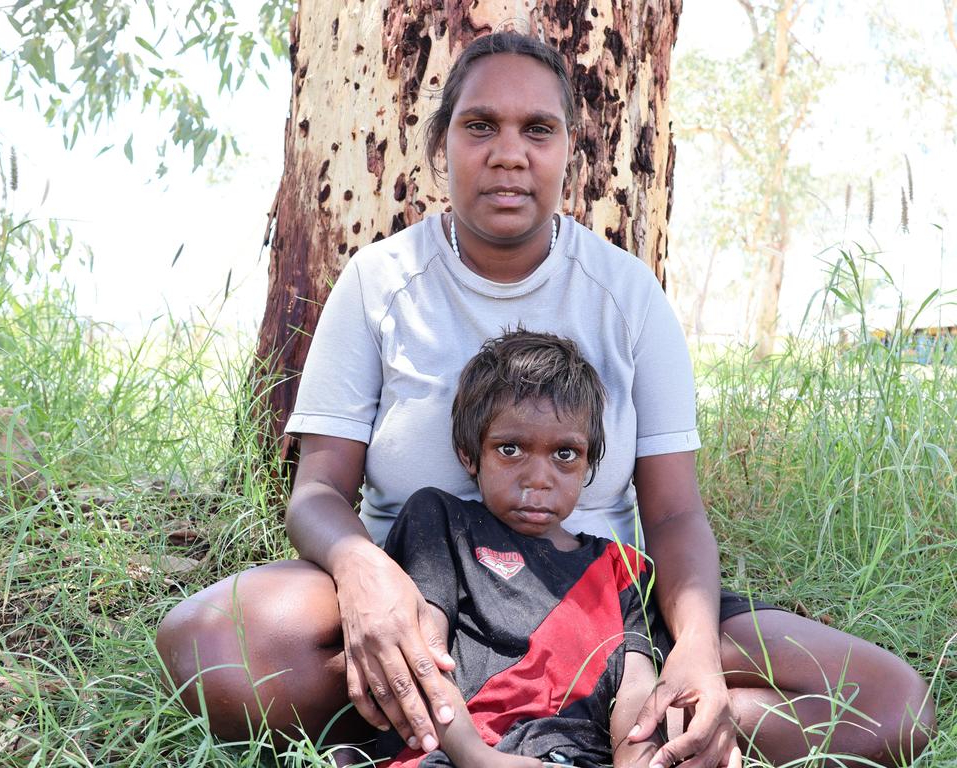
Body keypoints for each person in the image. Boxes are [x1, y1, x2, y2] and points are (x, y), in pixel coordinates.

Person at [156, 31, 936, 766]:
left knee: (893, 708)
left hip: (610, 606)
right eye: (480, 126)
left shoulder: (626, 295)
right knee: (209, 645)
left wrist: (693, 648)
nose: (508, 155)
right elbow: (319, 489)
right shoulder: (381, 283)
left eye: (538, 130)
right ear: (441, 148)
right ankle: (447, 699)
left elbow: (672, 513)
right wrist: (365, 577)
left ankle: (670, 720)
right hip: (428, 608)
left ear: (571, 150)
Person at [376, 329, 667, 768]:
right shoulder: (440, 520)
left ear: (590, 461)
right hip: (456, 752)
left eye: (566, 454)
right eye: (510, 449)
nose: (539, 478)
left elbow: (638, 691)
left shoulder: (623, 570)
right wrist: (478, 758)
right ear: (469, 455)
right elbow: (423, 651)